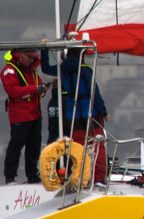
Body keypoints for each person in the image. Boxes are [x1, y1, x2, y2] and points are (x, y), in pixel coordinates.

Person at [42, 45, 108, 183]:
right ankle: (99, 178)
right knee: (97, 145)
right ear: (82, 55)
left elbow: (45, 68)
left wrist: (44, 49)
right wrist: (104, 112)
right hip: (91, 114)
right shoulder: (85, 69)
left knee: (77, 148)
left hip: (73, 116)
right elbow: (93, 92)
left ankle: (80, 177)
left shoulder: (62, 69)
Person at [1, 49, 45, 184]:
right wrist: (35, 89)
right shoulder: (9, 71)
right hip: (20, 116)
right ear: (21, 55)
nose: (32, 60)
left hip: (35, 114)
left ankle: (32, 175)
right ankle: (10, 177)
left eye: (34, 58)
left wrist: (42, 89)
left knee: (34, 146)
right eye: (30, 57)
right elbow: (14, 91)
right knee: (16, 146)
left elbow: (38, 85)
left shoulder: (31, 71)